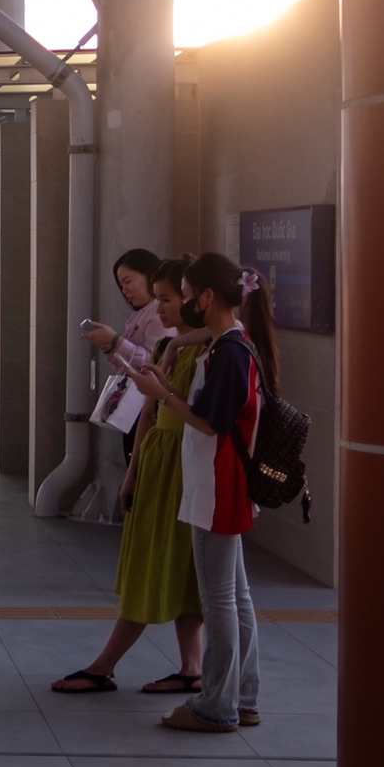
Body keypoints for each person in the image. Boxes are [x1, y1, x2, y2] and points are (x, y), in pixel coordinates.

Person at [130, 251, 280, 732]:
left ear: (208, 297)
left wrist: (163, 394)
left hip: (217, 487)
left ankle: (216, 706)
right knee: (235, 596)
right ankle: (244, 696)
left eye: (188, 297)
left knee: (220, 599)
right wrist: (172, 359)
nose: (184, 307)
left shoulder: (230, 354)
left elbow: (211, 422)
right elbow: (202, 340)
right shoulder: (234, 343)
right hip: (223, 485)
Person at [52, 256, 205, 695]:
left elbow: (195, 414)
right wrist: (133, 470)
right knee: (159, 560)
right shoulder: (168, 348)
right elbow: (148, 417)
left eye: (168, 299)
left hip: (187, 464)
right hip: (160, 460)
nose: (158, 309)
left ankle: (105, 666)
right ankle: (190, 666)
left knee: (171, 566)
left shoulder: (210, 350)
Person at [82, 248, 169, 460]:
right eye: (121, 285)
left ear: (149, 275)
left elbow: (155, 363)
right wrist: (110, 347)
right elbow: (130, 367)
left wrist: (116, 342)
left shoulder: (158, 313)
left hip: (153, 409)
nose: (125, 290)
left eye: (128, 281)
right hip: (139, 408)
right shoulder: (140, 313)